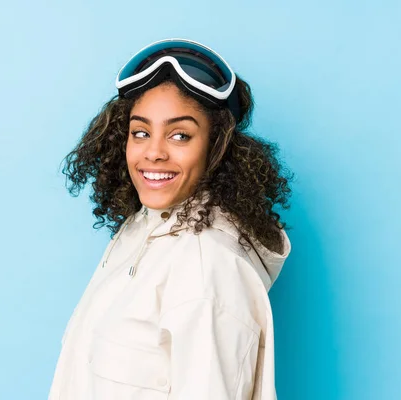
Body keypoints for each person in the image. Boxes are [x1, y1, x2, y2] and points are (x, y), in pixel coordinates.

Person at [48, 38, 293, 400]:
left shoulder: (206, 266)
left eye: (180, 135)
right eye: (141, 132)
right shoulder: (142, 229)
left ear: (216, 148)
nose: (154, 153)